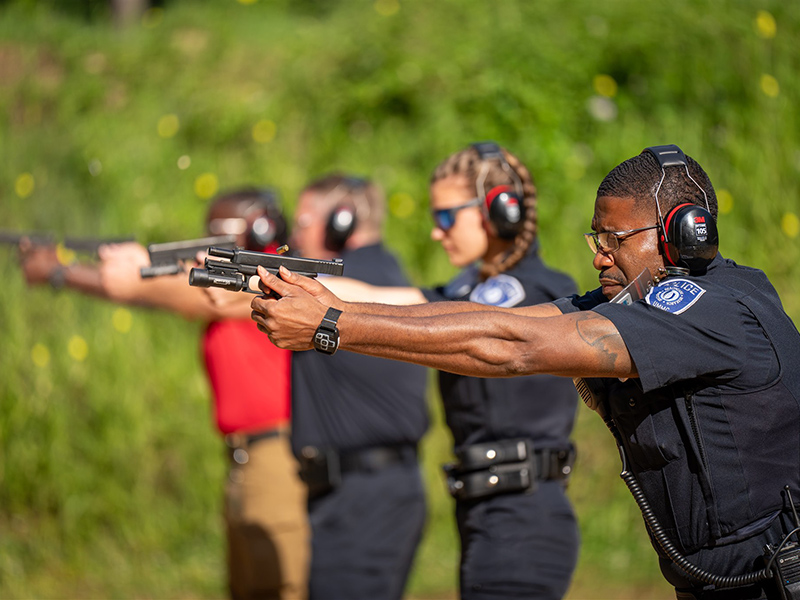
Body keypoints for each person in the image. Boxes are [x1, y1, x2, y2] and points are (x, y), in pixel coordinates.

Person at [250, 145, 800, 600]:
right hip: (722, 578)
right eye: (596, 240)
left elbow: (513, 345)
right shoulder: (634, 302)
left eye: (613, 241)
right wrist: (333, 307)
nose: (599, 258)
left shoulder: (713, 308)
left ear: (682, 233)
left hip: (771, 574)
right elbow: (490, 320)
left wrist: (331, 324)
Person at [20, 188, 310, 600]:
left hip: (277, 460)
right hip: (245, 459)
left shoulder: (269, 282)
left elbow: (165, 290)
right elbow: (166, 293)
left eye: (221, 233)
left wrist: (61, 272)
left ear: (262, 229)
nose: (211, 244)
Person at [321, 143, 581, 599]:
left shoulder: (547, 291)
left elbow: (456, 329)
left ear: (499, 210)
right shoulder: (463, 291)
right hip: (480, 509)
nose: (436, 232)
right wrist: (286, 279)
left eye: (446, 217)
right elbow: (376, 299)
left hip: (525, 513)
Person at [280, 173, 429, 600]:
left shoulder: (338, 285)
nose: (296, 233)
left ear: (340, 222)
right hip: (370, 492)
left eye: (304, 219)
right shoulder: (386, 271)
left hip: (363, 497)